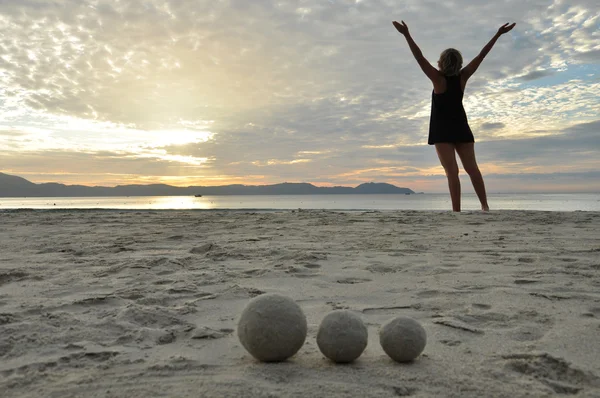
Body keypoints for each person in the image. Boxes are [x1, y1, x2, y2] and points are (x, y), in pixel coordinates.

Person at [392, 21, 516, 212]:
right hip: (460, 126)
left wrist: (406, 34)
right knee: (472, 168)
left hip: (442, 130)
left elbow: (419, 58)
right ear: (459, 63)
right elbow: (481, 56)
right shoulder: (462, 77)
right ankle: (484, 206)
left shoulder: (437, 79)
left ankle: (456, 211)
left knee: (452, 172)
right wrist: (498, 34)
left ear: (441, 62)